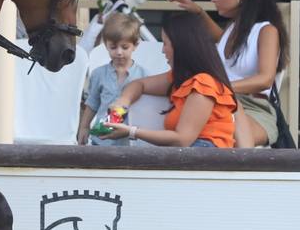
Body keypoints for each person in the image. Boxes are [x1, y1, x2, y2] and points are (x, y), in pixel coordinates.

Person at [167, 0, 288, 148]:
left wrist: (217, 89)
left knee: (209, 137)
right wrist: (197, 11)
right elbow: (220, 38)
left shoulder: (266, 30)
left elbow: (265, 79)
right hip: (220, 104)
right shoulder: (232, 29)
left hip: (253, 109)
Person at [101, 13, 237, 148]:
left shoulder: (204, 84)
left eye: (165, 43)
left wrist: (131, 131)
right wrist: (123, 102)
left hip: (205, 157)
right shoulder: (180, 78)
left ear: (181, 46)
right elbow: (139, 84)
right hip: (189, 154)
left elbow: (182, 140)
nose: (162, 50)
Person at [77, 11, 147, 146]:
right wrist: (84, 127)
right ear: (106, 46)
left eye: (125, 47)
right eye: (113, 47)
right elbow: (92, 103)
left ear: (135, 45)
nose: (119, 52)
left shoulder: (144, 75)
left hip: (131, 142)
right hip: (102, 140)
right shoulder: (98, 73)